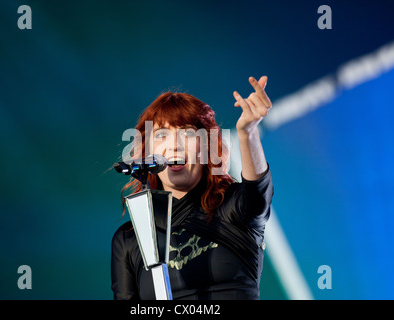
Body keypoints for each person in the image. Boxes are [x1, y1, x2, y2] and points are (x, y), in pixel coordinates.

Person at [111, 76, 274, 300]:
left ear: (207, 148)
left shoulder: (234, 207)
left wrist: (248, 132)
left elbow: (257, 191)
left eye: (187, 133)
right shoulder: (129, 238)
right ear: (146, 151)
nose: (174, 144)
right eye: (161, 135)